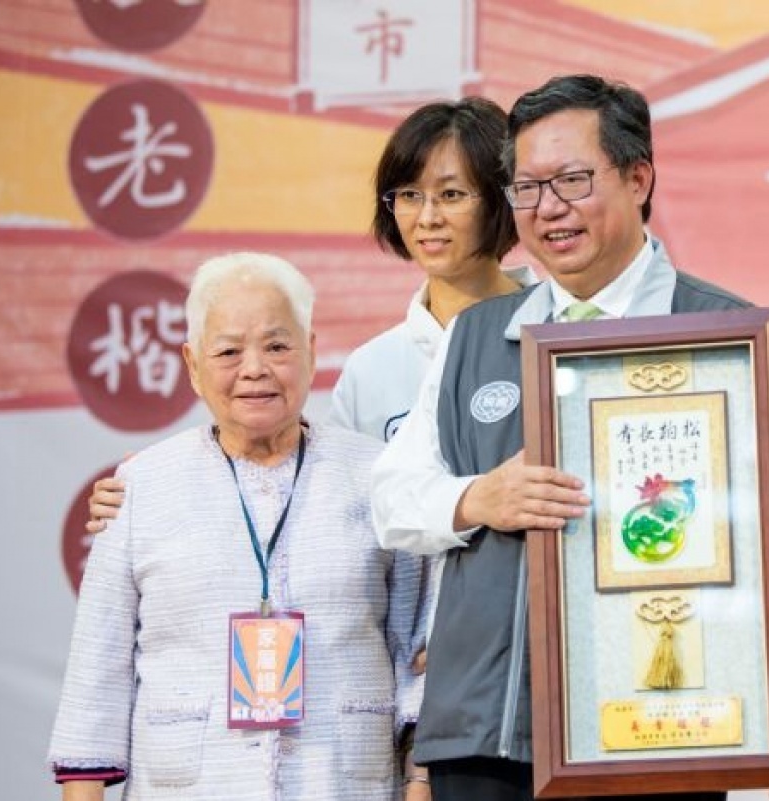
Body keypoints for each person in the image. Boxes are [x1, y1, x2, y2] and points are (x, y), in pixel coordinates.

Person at [80, 98, 536, 797]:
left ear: (501, 201)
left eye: (451, 194)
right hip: (430, 696)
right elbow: (335, 509)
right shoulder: (374, 369)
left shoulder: (552, 339)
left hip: (530, 661)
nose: (427, 216)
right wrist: (152, 485)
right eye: (408, 195)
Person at [370, 74, 747, 801]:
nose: (548, 209)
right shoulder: (474, 336)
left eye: (572, 180)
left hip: (661, 724)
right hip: (488, 728)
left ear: (638, 178)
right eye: (528, 186)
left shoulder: (719, 331)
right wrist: (480, 495)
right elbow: (391, 498)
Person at [49, 253, 422, 800]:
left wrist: (420, 780)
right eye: (228, 351)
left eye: (277, 346)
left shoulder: (378, 475)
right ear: (193, 365)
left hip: (343, 782)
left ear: (312, 351)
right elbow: (95, 679)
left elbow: (417, 647)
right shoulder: (139, 486)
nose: (254, 369)